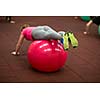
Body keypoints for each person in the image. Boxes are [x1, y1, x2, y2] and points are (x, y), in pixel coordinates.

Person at [11, 24, 78, 56]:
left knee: (49, 35)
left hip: (35, 33)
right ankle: (66, 34)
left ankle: (63, 37)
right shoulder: (30, 27)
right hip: (44, 27)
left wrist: (16, 52)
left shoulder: (24, 31)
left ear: (22, 29)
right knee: (55, 34)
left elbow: (19, 43)